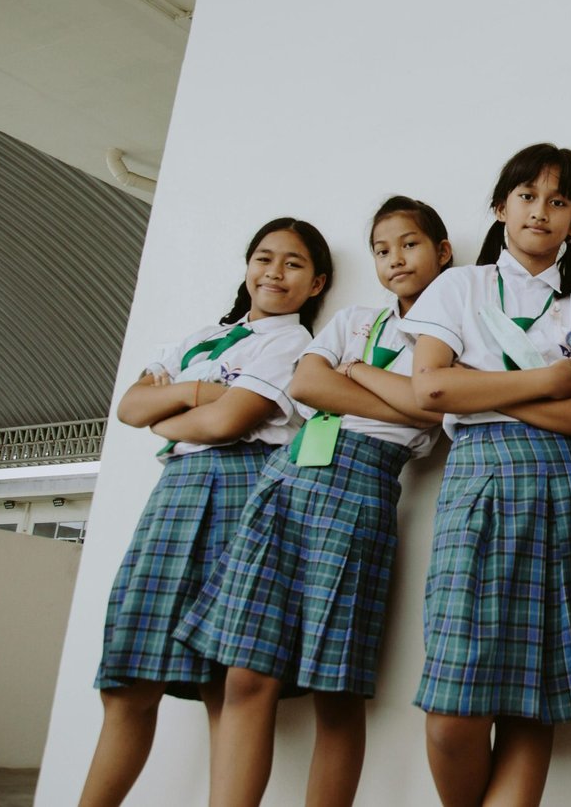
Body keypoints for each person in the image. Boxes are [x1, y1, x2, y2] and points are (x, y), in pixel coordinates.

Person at [177, 197, 453, 807]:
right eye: (381, 250)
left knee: (335, 687)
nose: (394, 259)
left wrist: (357, 379)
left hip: (363, 490)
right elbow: (306, 384)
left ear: (443, 252)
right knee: (245, 672)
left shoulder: (455, 329)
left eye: (408, 244)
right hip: (288, 475)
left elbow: (437, 408)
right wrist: (400, 395)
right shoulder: (356, 318)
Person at [406, 144, 571, 807]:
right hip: (481, 482)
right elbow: (429, 387)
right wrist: (543, 381)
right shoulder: (459, 286)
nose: (541, 211)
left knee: (539, 694)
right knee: (454, 710)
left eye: (559, 201)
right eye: (528, 195)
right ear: (502, 204)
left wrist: (481, 385)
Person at [80, 217, 332, 807]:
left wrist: (172, 409)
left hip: (247, 489)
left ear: (316, 283)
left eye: (293, 264)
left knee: (230, 679)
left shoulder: (291, 343)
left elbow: (226, 423)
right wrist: (202, 392)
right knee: (128, 680)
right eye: (264, 258)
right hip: (173, 498)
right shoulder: (193, 340)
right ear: (247, 266)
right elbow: (130, 407)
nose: (275, 272)